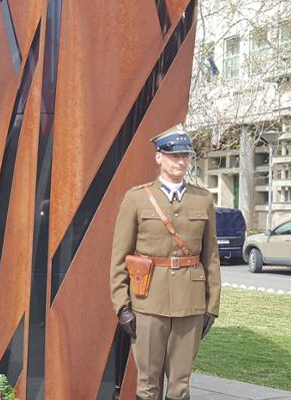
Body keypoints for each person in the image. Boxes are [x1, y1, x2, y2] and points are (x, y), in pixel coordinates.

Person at [110, 124, 222, 400]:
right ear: (159, 157)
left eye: (185, 156)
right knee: (147, 383)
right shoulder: (136, 198)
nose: (181, 162)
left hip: (190, 303)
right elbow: (120, 257)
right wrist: (122, 305)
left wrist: (212, 306)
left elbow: (211, 256)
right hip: (148, 301)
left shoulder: (203, 199)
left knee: (180, 383)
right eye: (174, 156)